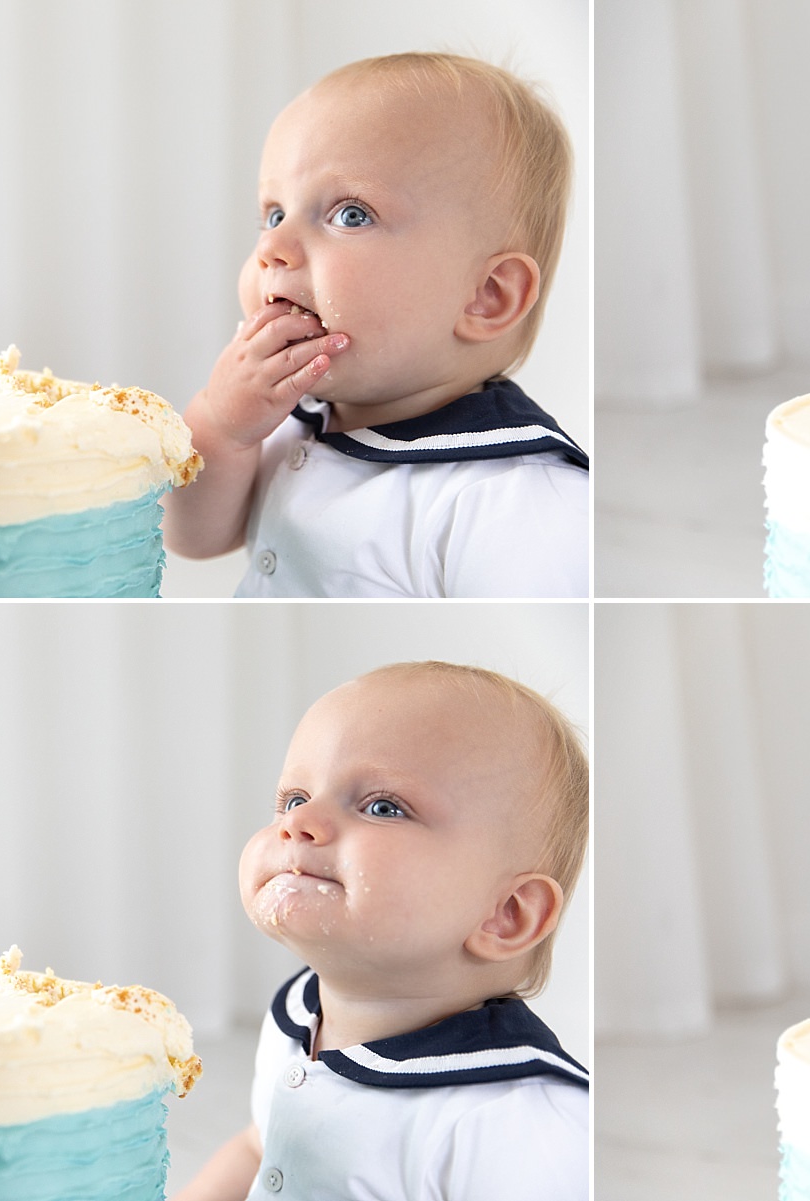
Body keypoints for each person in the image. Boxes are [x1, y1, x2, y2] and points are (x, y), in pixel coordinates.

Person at [163, 54, 588, 596]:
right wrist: (223, 427)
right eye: (274, 214)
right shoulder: (294, 419)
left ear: (485, 297)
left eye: (351, 214)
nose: (272, 247)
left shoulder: (515, 501)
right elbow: (194, 537)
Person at [173, 661, 589, 1200]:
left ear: (505, 914)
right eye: (295, 798)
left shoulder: (513, 1123)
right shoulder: (298, 1015)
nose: (297, 823)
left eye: (383, 807)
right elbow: (259, 1149)